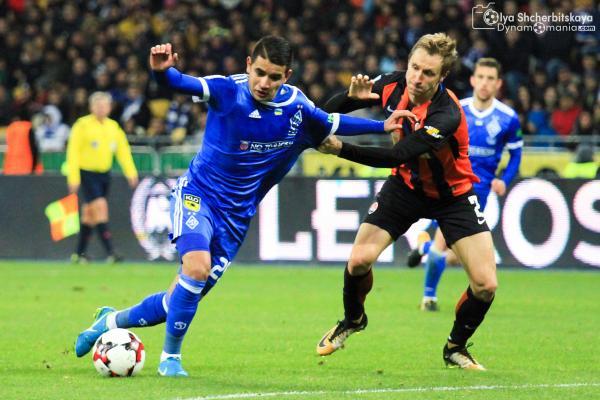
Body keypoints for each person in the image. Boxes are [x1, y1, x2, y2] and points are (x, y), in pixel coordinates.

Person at [74, 36, 406, 377]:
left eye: (274, 77)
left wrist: (382, 126)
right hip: (198, 195)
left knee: (178, 299)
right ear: (248, 65)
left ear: (287, 76)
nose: (264, 83)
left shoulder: (297, 108)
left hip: (235, 219)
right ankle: (170, 359)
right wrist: (161, 72)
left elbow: (333, 122)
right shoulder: (226, 90)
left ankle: (109, 320)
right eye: (259, 73)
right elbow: (181, 82)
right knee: (196, 268)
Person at [316, 33, 496, 370]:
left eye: (428, 73)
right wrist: (346, 99)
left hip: (453, 196)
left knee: (485, 285)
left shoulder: (446, 114)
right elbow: (324, 113)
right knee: (358, 261)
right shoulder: (392, 84)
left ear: (442, 76)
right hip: (406, 187)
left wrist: (340, 148)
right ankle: (353, 320)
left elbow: (396, 154)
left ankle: (455, 347)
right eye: (414, 67)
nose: (417, 78)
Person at [406, 58, 522, 311]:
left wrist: (504, 179)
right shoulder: (457, 109)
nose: (484, 83)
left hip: (480, 191)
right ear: (472, 80)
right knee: (444, 245)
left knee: (456, 256)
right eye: (480, 77)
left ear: (498, 83)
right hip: (453, 185)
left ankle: (424, 246)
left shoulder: (508, 118)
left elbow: (516, 154)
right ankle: (428, 298)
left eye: (490, 78)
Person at [66, 91, 139, 263]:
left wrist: (131, 172)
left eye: (104, 105)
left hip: (104, 174)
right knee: (100, 207)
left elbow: (123, 151)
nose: (101, 109)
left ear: (109, 108)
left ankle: (78, 254)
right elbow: (72, 152)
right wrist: (73, 178)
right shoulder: (82, 125)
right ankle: (111, 252)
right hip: (87, 173)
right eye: (98, 105)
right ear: (91, 107)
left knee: (89, 215)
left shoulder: (113, 127)